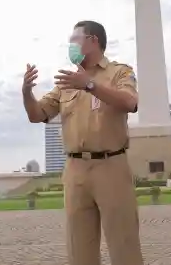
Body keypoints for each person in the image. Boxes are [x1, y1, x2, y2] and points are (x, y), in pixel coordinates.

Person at [22, 20, 143, 265]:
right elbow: (37, 115)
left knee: (123, 243)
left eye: (75, 39)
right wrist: (26, 92)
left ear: (93, 40)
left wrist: (90, 84)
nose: (70, 45)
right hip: (75, 169)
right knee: (79, 247)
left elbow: (130, 102)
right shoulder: (66, 82)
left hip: (111, 165)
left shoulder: (119, 72)